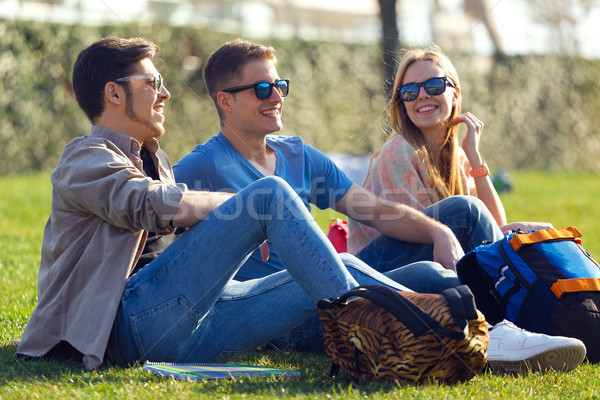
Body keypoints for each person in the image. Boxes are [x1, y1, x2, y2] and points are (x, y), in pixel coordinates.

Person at [15, 36, 433, 370]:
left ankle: (443, 328)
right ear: (114, 93)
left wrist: (237, 228)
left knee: (345, 266)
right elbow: (147, 204)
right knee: (269, 195)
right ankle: (374, 343)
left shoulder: (151, 157)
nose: (165, 94)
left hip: (192, 324)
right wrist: (244, 208)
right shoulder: (85, 156)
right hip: (129, 325)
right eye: (153, 84)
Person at [173, 39, 586, 372]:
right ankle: (492, 334)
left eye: (280, 87)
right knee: (428, 275)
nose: (276, 96)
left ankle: (534, 319)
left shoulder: (298, 155)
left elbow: (375, 210)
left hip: (336, 280)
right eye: (263, 89)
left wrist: (436, 230)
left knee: (463, 211)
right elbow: (152, 214)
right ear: (225, 101)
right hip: (291, 317)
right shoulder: (203, 164)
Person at [347, 45, 552, 256]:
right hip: (379, 268)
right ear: (403, 103)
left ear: (455, 95)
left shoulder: (459, 157)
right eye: (410, 91)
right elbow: (422, 234)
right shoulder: (399, 150)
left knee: (538, 231)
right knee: (465, 209)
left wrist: (473, 155)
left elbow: (493, 225)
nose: (422, 95)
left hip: (427, 253)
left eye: (434, 86)